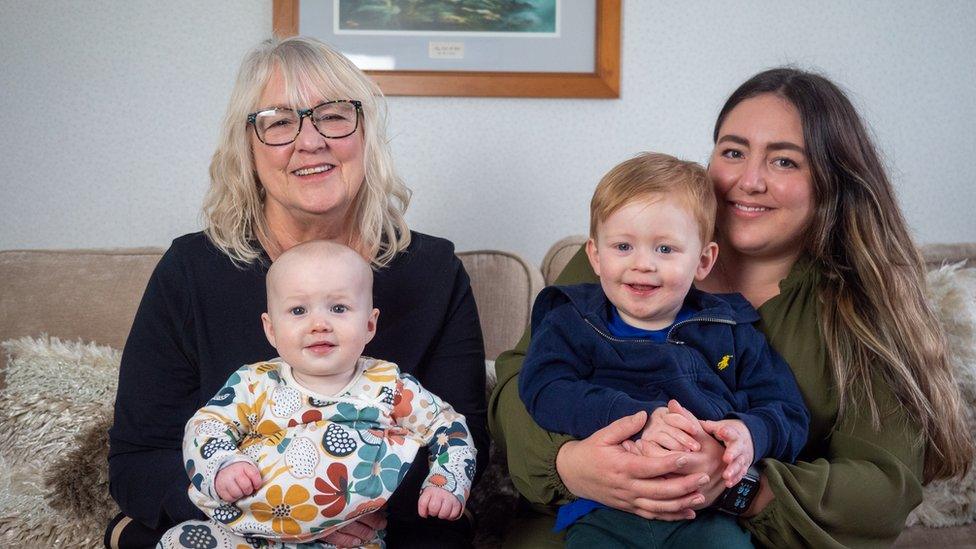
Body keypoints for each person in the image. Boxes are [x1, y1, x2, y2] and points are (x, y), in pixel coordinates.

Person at [489, 68, 974, 548]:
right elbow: (519, 386)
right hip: (589, 522)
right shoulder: (627, 256)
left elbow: (884, 488)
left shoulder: (861, 308)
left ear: (831, 179)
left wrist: (733, 483)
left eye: (784, 162)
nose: (750, 180)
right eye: (733, 152)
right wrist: (574, 464)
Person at [108, 36, 488, 549]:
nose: (310, 141)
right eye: (279, 121)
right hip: (228, 525)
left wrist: (343, 508)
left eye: (333, 115)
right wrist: (274, 516)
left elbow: (462, 441)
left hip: (387, 528)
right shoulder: (191, 272)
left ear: (365, 133)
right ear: (248, 147)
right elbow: (140, 457)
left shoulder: (434, 272)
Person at [518, 152, 808, 547]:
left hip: (705, 515)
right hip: (605, 509)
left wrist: (749, 433)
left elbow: (787, 411)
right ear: (595, 256)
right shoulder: (573, 322)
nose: (643, 264)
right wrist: (639, 419)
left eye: (665, 250)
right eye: (623, 246)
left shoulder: (732, 330)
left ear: (703, 260)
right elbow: (543, 388)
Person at [158, 241, 476, 548]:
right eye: (298, 310)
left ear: (369, 324)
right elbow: (207, 426)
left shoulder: (388, 386)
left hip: (349, 541)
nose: (319, 324)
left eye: (338, 307)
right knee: (180, 540)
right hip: (251, 532)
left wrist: (446, 482)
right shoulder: (254, 383)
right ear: (271, 329)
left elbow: (448, 426)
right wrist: (223, 464)